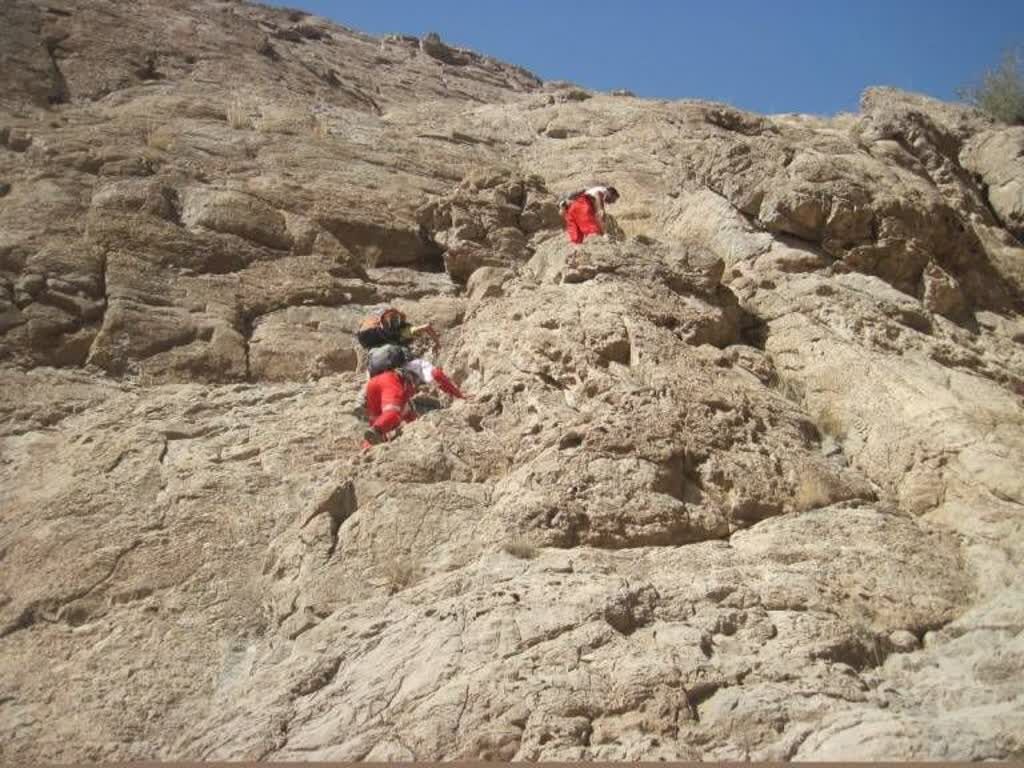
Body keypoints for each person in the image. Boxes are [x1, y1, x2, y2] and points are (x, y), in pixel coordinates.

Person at [362, 359, 466, 448]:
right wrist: (459, 395)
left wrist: (414, 425)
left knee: (377, 418)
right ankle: (377, 430)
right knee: (393, 413)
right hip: (390, 381)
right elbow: (436, 374)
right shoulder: (419, 363)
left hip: (372, 383)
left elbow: (408, 411)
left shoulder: (396, 366)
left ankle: (367, 448)